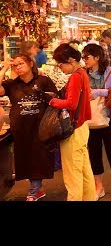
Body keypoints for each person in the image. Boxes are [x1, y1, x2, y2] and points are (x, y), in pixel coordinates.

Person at [0, 54, 58, 201]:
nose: (18, 67)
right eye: (15, 65)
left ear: (31, 64)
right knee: (26, 161)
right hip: (20, 130)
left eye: (21, 63)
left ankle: (33, 191)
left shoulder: (43, 81)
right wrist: (5, 67)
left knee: (38, 159)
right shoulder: (12, 84)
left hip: (41, 129)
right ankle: (37, 189)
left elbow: (55, 100)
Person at [49, 43, 96, 201]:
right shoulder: (83, 73)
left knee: (72, 175)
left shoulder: (75, 77)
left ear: (70, 60)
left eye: (60, 64)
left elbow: (71, 104)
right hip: (82, 128)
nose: (60, 68)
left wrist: (53, 101)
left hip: (73, 130)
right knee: (84, 170)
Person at [82, 44, 111, 201]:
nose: (84, 60)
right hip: (90, 120)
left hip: (109, 119)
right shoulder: (83, 73)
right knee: (94, 154)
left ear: (97, 57)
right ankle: (98, 186)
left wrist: (98, 92)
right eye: (83, 57)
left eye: (86, 57)